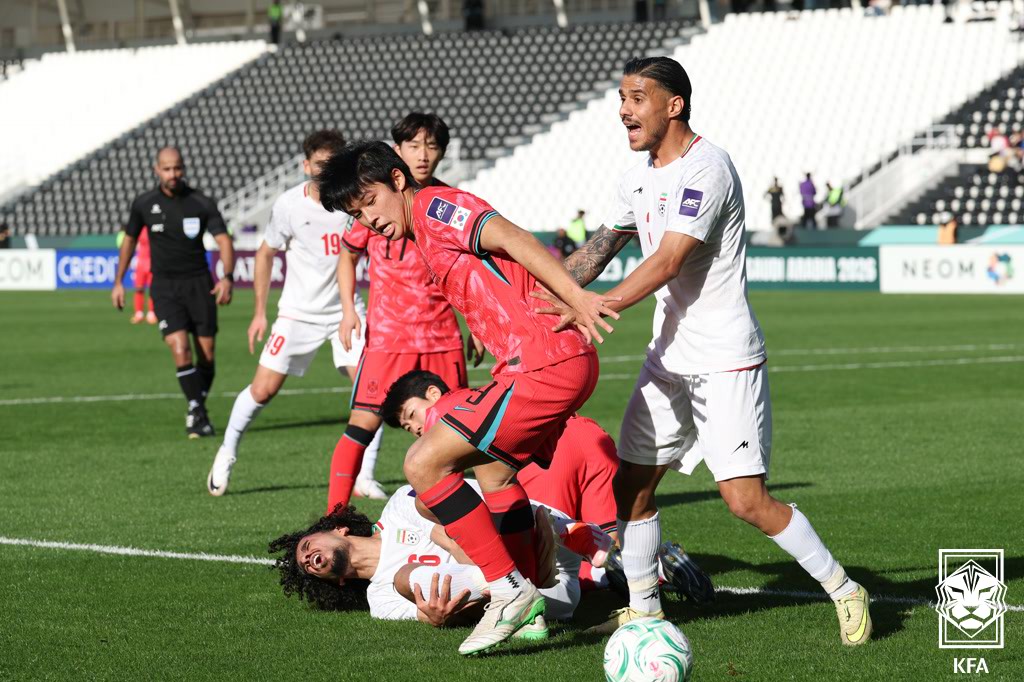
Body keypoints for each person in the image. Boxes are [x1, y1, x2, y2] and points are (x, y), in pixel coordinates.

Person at [537, 56, 871, 646]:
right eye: (621, 98)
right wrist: (534, 301)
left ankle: (845, 589)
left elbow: (669, 260)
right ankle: (645, 609)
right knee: (631, 487)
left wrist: (596, 305)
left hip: (724, 358)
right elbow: (600, 247)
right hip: (667, 357)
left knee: (745, 501)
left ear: (674, 105)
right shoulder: (635, 177)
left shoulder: (708, 168)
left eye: (637, 98)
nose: (623, 111)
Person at [317, 140, 617, 656]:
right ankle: (532, 607)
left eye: (369, 202)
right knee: (495, 475)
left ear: (396, 180)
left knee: (422, 463)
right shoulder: (424, 227)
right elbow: (499, 276)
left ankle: (508, 590)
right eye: (356, 214)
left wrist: (575, 296)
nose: (369, 220)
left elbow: (514, 237)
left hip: (543, 362)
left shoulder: (435, 207)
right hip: (543, 361)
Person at [380, 369, 715, 603]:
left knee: (548, 564)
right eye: (407, 428)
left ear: (433, 394)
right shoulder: (478, 397)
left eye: (411, 416)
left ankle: (654, 571)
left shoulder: (443, 417)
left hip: (547, 460)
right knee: (613, 540)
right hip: (586, 436)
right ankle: (657, 564)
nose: (415, 429)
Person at [205, 130, 382, 497]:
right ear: (305, 165)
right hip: (298, 313)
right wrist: (259, 313)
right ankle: (227, 451)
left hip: (346, 311)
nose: (324, 170)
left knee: (371, 391)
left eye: (332, 164)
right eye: (318, 164)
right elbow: (266, 253)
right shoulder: (289, 205)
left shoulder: (355, 200)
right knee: (263, 389)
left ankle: (364, 476)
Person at [330, 113, 481, 509]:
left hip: (441, 337)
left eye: (432, 146)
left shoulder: (449, 203)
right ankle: (334, 516)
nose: (423, 155)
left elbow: (470, 268)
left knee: (457, 432)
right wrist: (348, 310)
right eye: (414, 146)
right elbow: (347, 257)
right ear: (397, 151)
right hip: (388, 336)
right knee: (361, 425)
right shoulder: (374, 199)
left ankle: (458, 522)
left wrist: (477, 323)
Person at [112, 147, 233, 439]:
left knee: (207, 356)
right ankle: (197, 410)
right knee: (180, 347)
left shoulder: (201, 202)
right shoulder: (144, 203)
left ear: (183, 168)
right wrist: (118, 281)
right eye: (166, 169)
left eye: (177, 168)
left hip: (199, 284)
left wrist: (227, 277)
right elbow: (129, 241)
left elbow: (223, 240)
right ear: (157, 170)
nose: (172, 174)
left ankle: (195, 410)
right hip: (164, 287)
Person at [117, 225, 157, 324]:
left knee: (152, 289)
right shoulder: (139, 229)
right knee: (139, 288)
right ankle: (139, 313)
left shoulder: (153, 228)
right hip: (141, 263)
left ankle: (152, 313)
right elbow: (131, 243)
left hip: (152, 262)